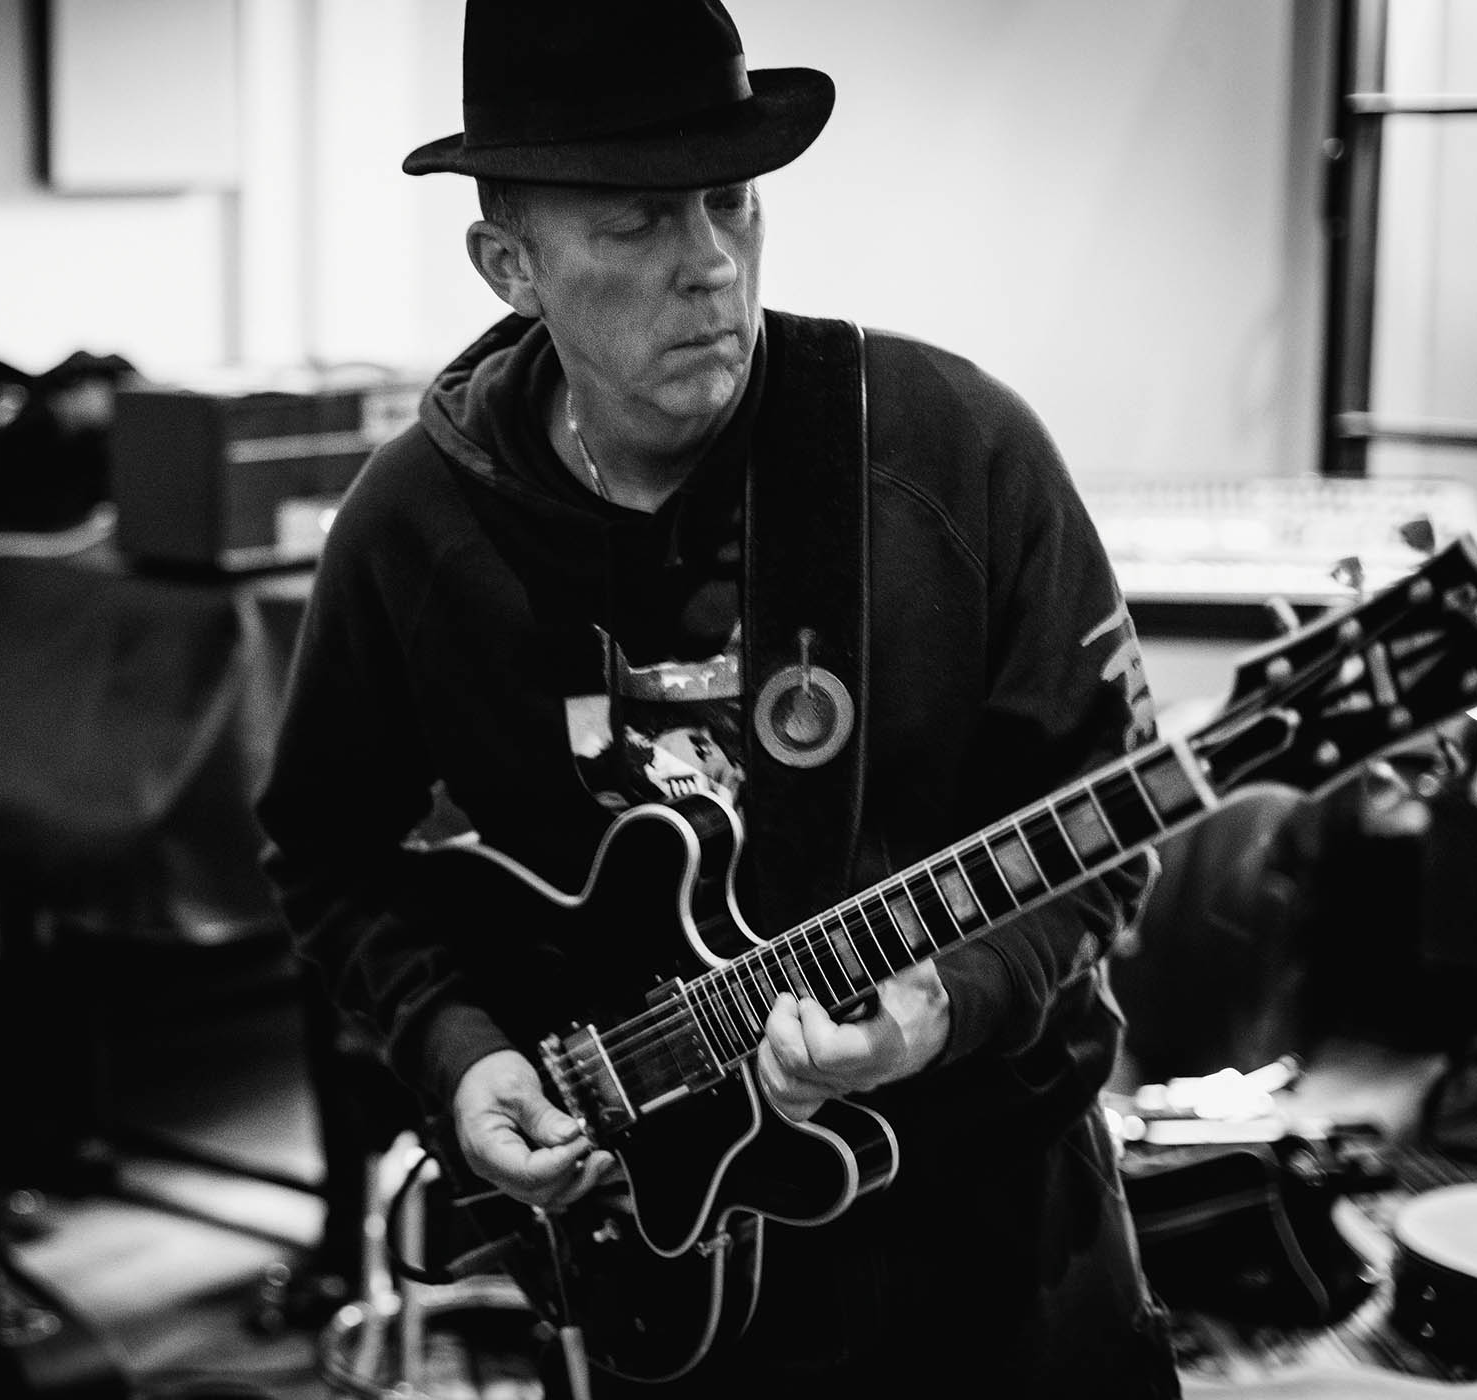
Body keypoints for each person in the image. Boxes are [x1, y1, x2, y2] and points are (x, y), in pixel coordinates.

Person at [256, 2, 1180, 1395]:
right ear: (509, 264)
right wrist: (459, 1054)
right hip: (652, 1247)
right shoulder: (413, 524)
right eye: (631, 224)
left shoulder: (949, 452)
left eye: (731, 202)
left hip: (992, 1232)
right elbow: (328, 854)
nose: (707, 263)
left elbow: (1110, 821)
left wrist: (947, 1004)